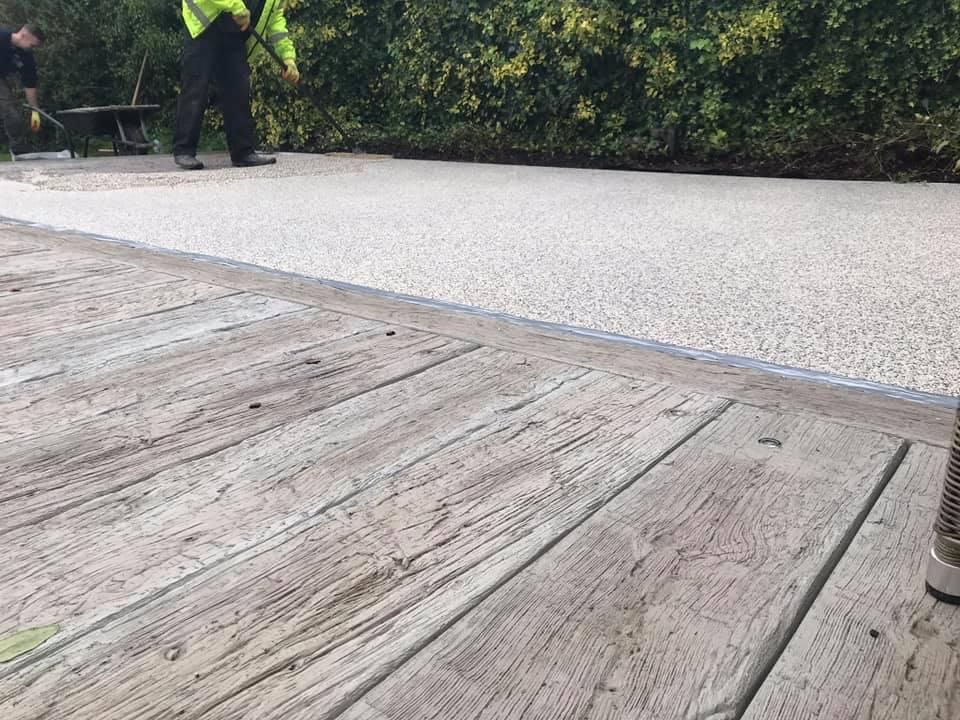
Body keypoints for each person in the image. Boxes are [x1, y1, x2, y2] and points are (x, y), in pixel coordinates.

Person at [174, 0, 300, 170]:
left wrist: (288, 58)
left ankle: (243, 152)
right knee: (196, 86)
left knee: (238, 88)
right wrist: (237, 7)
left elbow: (275, 20)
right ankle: (184, 151)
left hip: (234, 32)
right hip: (204, 25)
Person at [0, 24, 43, 158]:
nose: (32, 48)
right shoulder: (2, 34)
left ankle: (19, 151)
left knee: (11, 112)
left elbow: (30, 84)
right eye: (32, 45)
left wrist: (35, 111)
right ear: (23, 35)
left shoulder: (25, 56)